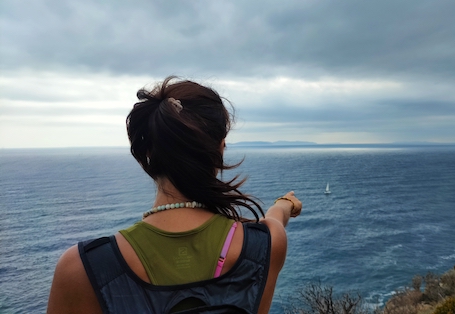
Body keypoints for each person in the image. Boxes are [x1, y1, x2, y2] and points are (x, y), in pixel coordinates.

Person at [47, 77, 302, 314]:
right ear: (219, 148)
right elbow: (274, 220)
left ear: (147, 152)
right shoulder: (266, 246)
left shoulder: (82, 268)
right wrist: (284, 204)